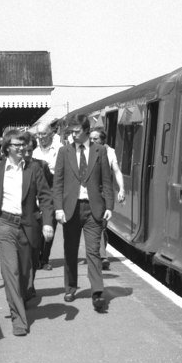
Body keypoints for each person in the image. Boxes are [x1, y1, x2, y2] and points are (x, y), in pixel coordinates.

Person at [0, 129, 54, 336]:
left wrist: (48, 223)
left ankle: (23, 295)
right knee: (10, 271)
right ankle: (19, 320)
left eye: (23, 145)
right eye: (16, 145)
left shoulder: (34, 169)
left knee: (24, 273)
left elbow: (46, 198)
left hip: (28, 226)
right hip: (4, 224)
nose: (21, 148)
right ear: (6, 148)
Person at [53, 114, 114, 311]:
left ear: (87, 131)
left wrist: (109, 207)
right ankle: (70, 287)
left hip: (93, 208)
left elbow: (106, 181)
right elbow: (58, 183)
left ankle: (97, 292)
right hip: (71, 208)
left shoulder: (100, 151)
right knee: (70, 251)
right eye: (70, 132)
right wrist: (58, 208)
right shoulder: (64, 152)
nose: (73, 135)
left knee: (93, 251)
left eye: (76, 132)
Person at [22, 131, 53, 298]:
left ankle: (30, 283)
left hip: (35, 218)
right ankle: (24, 289)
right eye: (24, 150)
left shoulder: (41, 166)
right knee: (21, 258)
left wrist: (46, 214)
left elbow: (48, 190)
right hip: (14, 221)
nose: (27, 154)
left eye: (30, 151)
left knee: (33, 257)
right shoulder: (8, 166)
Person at [89, 127, 125, 271]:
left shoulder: (110, 152)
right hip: (89, 193)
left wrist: (121, 189)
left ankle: (102, 256)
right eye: (90, 138)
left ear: (103, 140)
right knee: (96, 225)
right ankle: (99, 255)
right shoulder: (84, 151)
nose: (92, 141)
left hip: (103, 194)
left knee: (101, 225)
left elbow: (116, 171)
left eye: (95, 139)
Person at [32, 121, 62, 271]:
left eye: (43, 134)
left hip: (54, 191)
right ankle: (36, 257)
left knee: (51, 226)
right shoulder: (33, 152)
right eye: (38, 134)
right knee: (37, 227)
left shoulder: (59, 150)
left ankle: (45, 259)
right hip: (37, 192)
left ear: (51, 134)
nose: (40, 137)